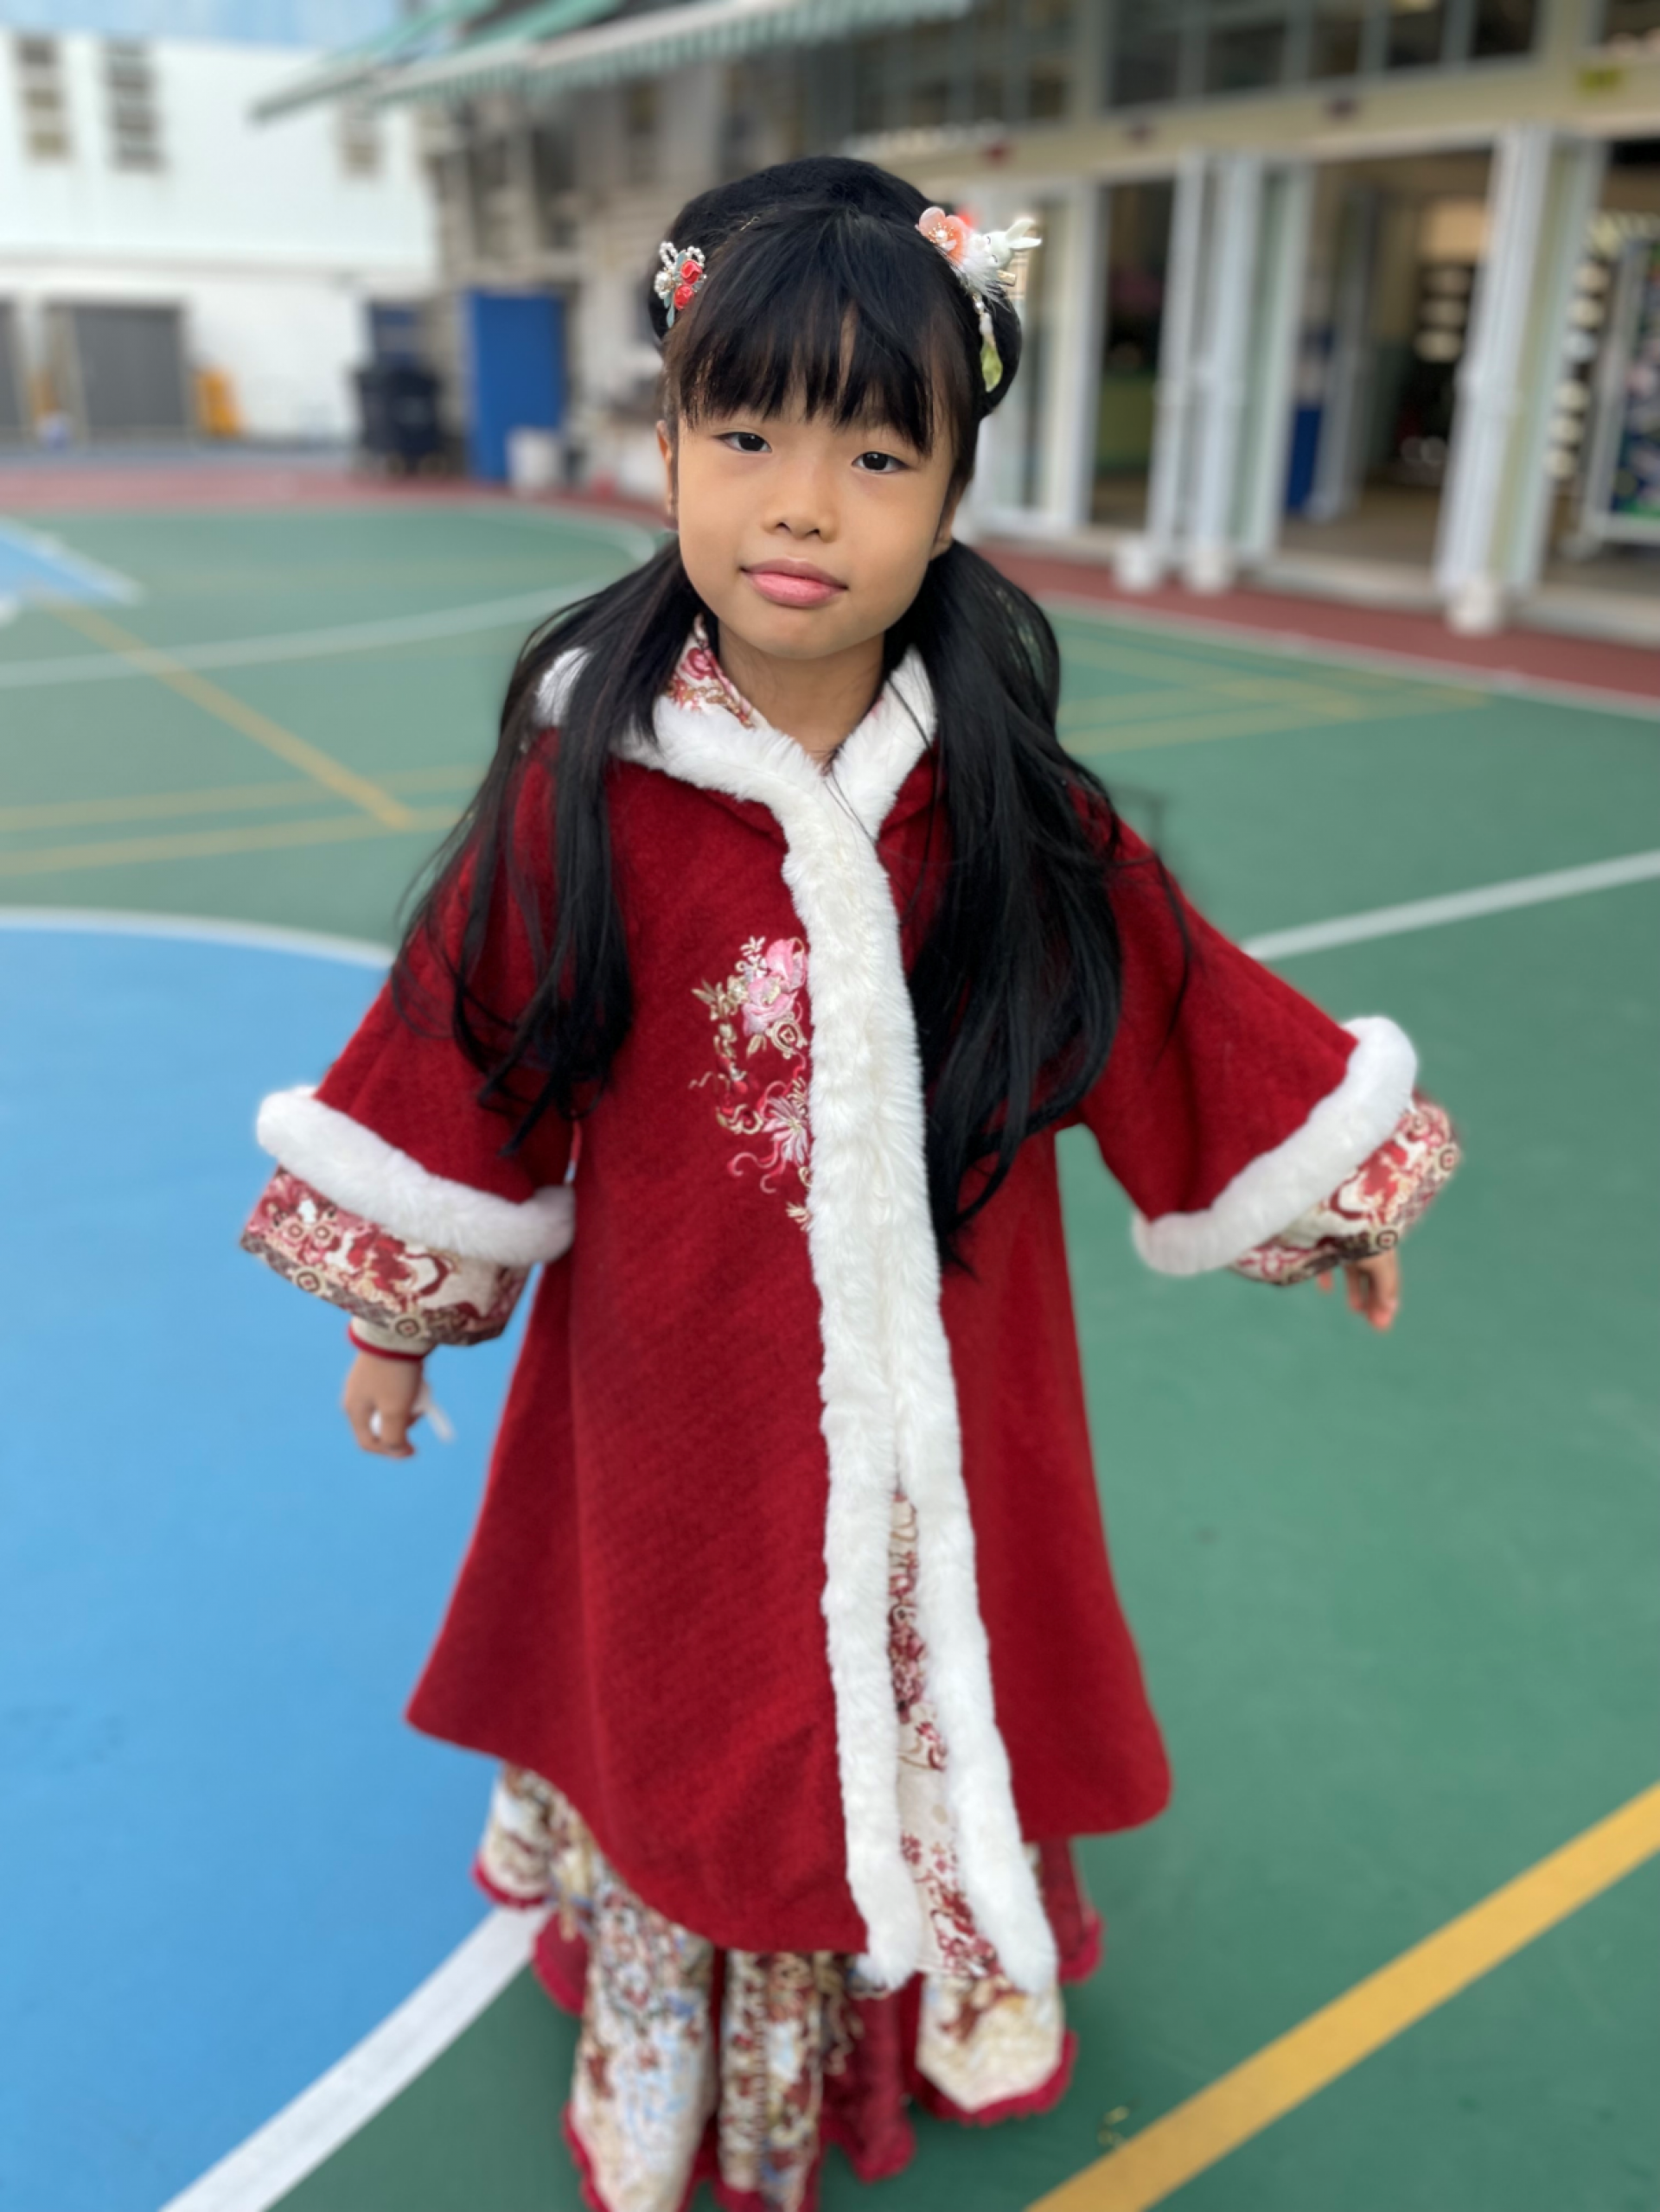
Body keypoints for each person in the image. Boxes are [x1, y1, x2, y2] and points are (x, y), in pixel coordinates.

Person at [242, 157, 1459, 2212]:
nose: (803, 505)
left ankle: (933, 1976)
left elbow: (1175, 1005)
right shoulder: (583, 795)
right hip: (676, 1397)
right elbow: (466, 1051)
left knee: (945, 1640)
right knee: (694, 1698)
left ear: (955, 492)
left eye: (877, 455)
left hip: (954, 1384)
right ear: (667, 449)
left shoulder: (1005, 808)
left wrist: (1329, 1192)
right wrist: (397, 1312)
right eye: (748, 437)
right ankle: (689, 2041)